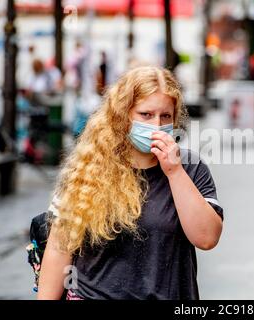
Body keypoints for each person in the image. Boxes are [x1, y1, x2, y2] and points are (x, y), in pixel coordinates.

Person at [37, 66, 224, 300]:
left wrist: (174, 172)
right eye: (146, 115)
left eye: (165, 116)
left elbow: (206, 238)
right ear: (123, 116)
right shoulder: (88, 166)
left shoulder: (190, 167)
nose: (156, 126)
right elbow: (59, 247)